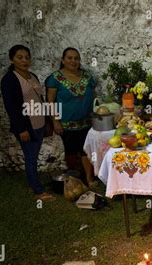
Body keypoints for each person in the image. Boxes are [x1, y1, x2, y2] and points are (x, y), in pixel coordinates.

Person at [1, 44, 56, 202]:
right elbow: (11, 107)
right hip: (26, 127)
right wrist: (21, 129)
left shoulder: (32, 76)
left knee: (33, 155)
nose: (24, 60)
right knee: (31, 157)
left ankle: (33, 182)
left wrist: (47, 120)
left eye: (27, 57)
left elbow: (40, 99)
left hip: (38, 123)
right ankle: (38, 191)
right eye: (20, 57)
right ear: (12, 59)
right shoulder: (9, 79)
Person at [46, 47, 97, 188]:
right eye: (69, 58)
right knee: (71, 152)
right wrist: (55, 120)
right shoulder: (55, 78)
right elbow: (50, 101)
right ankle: (74, 180)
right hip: (66, 124)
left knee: (86, 151)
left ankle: (89, 179)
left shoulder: (87, 77)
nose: (73, 61)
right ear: (63, 60)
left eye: (76, 58)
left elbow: (92, 97)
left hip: (86, 122)